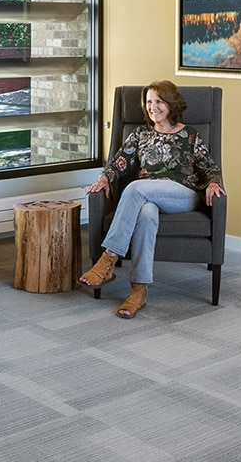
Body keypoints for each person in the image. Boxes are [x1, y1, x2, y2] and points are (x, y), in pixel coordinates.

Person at [79, 80, 224, 319]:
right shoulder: (141, 134)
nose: (152, 107)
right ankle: (139, 290)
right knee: (145, 213)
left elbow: (210, 167)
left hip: (182, 194)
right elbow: (119, 162)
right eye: (148, 101)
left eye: (158, 101)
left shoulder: (190, 135)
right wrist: (106, 177)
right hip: (149, 195)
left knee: (137, 189)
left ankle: (108, 260)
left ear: (171, 103)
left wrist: (215, 182)